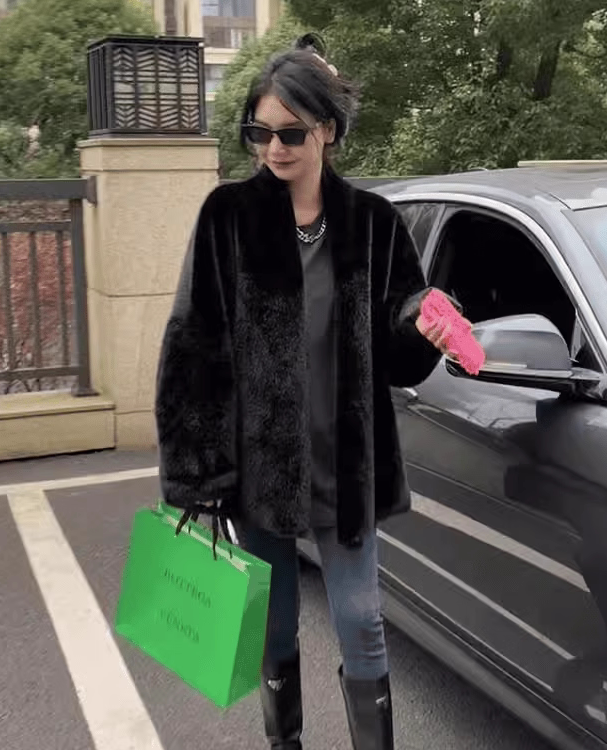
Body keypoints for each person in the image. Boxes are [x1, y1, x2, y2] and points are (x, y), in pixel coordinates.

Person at [155, 32, 462, 750]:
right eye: (259, 132)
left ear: (326, 129)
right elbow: (192, 345)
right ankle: (284, 742)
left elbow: (399, 349)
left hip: (345, 465)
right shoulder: (227, 217)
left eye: (290, 133)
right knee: (276, 622)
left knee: (362, 620)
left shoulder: (373, 224)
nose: (274, 148)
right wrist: (196, 474)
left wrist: (423, 325)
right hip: (259, 464)